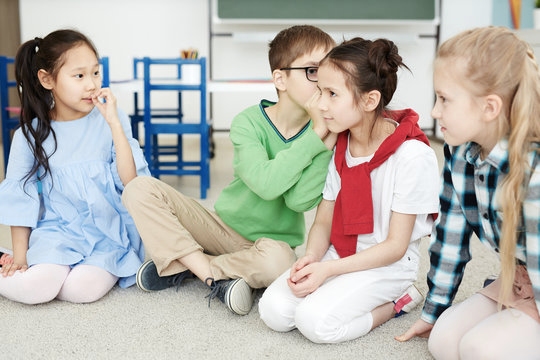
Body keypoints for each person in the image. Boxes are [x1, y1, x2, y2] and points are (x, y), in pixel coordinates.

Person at [121, 25, 337, 316]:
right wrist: (314, 138)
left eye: (328, 70)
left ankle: (190, 267)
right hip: (219, 228)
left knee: (281, 266)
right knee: (138, 188)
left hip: (272, 244)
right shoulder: (247, 122)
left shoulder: (325, 133)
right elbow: (265, 183)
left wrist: (322, 140)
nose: (322, 80)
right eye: (312, 71)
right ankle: (214, 275)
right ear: (280, 79)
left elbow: (298, 202)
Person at [258, 37, 440, 343]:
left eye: (332, 94)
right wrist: (313, 259)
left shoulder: (413, 156)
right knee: (274, 312)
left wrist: (328, 271)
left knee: (315, 323)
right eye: (319, 91)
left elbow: (396, 247)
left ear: (369, 101)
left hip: (389, 265)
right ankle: (331, 278)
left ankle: (399, 302)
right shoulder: (340, 144)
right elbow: (324, 221)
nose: (320, 105)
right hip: (340, 251)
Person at [396, 26, 540, 359]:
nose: (434, 111)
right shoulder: (460, 155)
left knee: (480, 350)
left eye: (444, 99)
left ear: (490, 108)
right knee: (443, 342)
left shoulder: (533, 172)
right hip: (521, 277)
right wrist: (434, 309)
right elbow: (450, 237)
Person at [0, 29, 149, 304]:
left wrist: (114, 124)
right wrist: (20, 258)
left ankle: (57, 268)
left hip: (108, 233)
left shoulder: (113, 121)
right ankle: (9, 260)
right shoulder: (29, 135)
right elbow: (21, 198)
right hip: (57, 231)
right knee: (37, 289)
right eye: (79, 76)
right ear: (47, 79)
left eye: (95, 73)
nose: (91, 85)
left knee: (80, 291)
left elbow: (131, 181)